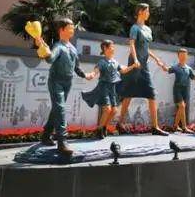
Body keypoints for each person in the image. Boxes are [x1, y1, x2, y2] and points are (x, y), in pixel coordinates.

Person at [34, 18, 92, 155]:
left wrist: (85, 75)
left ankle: (46, 135)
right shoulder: (58, 46)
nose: (72, 30)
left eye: (73, 27)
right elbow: (50, 59)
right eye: (70, 28)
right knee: (60, 108)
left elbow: (76, 67)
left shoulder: (73, 48)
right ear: (62, 30)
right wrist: (42, 47)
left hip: (68, 82)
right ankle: (62, 141)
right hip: (56, 81)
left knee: (57, 108)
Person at [118, 3, 168, 136]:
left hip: (144, 66)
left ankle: (155, 127)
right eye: (147, 11)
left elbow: (146, 49)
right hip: (134, 64)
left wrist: (156, 59)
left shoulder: (148, 29)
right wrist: (135, 60)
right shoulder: (134, 28)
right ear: (140, 12)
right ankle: (120, 124)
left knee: (151, 94)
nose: (148, 13)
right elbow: (132, 45)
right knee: (128, 94)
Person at [81, 40, 138, 139]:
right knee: (107, 109)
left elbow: (123, 70)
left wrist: (133, 66)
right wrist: (90, 75)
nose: (113, 49)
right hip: (104, 87)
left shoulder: (115, 62)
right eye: (111, 47)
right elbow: (95, 72)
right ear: (105, 48)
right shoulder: (102, 62)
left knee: (114, 110)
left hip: (112, 88)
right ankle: (99, 130)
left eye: (113, 47)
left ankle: (103, 127)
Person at [157, 48, 195, 133]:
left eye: (184, 55)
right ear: (178, 56)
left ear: (186, 56)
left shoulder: (189, 69)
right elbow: (167, 69)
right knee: (182, 106)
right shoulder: (176, 67)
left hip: (185, 91)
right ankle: (184, 128)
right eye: (181, 56)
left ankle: (175, 126)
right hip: (177, 90)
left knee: (181, 108)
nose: (183, 57)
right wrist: (161, 65)